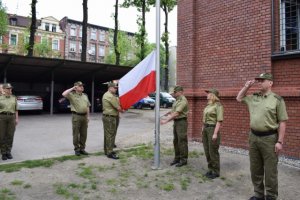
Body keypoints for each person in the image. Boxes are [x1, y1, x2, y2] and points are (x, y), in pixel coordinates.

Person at [236, 73, 288, 200]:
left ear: (270, 83)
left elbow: (282, 122)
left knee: (270, 171)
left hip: (269, 139)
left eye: (262, 81)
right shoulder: (254, 97)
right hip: (253, 137)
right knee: (255, 168)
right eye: (258, 81)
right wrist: (246, 86)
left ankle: (271, 196)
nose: (259, 83)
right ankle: (259, 195)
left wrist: (280, 142)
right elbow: (239, 98)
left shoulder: (277, 99)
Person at [161, 86, 189, 167]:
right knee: (176, 141)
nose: (174, 94)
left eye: (175, 92)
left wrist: (166, 120)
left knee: (182, 141)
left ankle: (183, 160)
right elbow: (174, 110)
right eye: (174, 93)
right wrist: (169, 112)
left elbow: (177, 113)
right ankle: (177, 158)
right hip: (176, 122)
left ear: (180, 92)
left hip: (181, 122)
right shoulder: (177, 100)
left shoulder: (183, 100)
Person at [62, 81, 91, 156]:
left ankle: (82, 149)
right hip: (76, 116)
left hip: (84, 117)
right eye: (80, 86)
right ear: (76, 88)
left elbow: (87, 106)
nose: (82, 87)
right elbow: (64, 94)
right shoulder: (72, 95)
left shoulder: (85, 95)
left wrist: (88, 116)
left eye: (82, 86)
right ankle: (76, 149)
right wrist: (72, 88)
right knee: (76, 134)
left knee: (84, 134)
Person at [202, 88, 223, 179]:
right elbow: (204, 119)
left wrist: (215, 133)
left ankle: (216, 171)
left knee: (213, 151)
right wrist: (202, 128)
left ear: (213, 95)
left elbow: (219, 121)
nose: (207, 94)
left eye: (209, 93)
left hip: (212, 129)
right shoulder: (208, 106)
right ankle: (210, 169)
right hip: (206, 129)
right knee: (207, 150)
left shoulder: (218, 106)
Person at [102, 82, 123, 159]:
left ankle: (107, 150)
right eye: (115, 88)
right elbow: (118, 107)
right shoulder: (109, 96)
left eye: (116, 88)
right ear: (110, 88)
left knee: (109, 134)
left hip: (112, 116)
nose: (116, 89)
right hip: (110, 117)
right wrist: (123, 110)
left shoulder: (112, 95)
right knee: (110, 134)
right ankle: (109, 152)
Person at [0, 83, 19, 160]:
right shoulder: (0, 98)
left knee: (10, 135)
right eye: (8, 88)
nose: (9, 89)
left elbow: (16, 109)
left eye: (10, 88)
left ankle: (8, 151)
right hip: (2, 117)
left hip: (12, 117)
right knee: (2, 135)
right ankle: (3, 153)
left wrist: (17, 119)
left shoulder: (14, 98)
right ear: (4, 89)